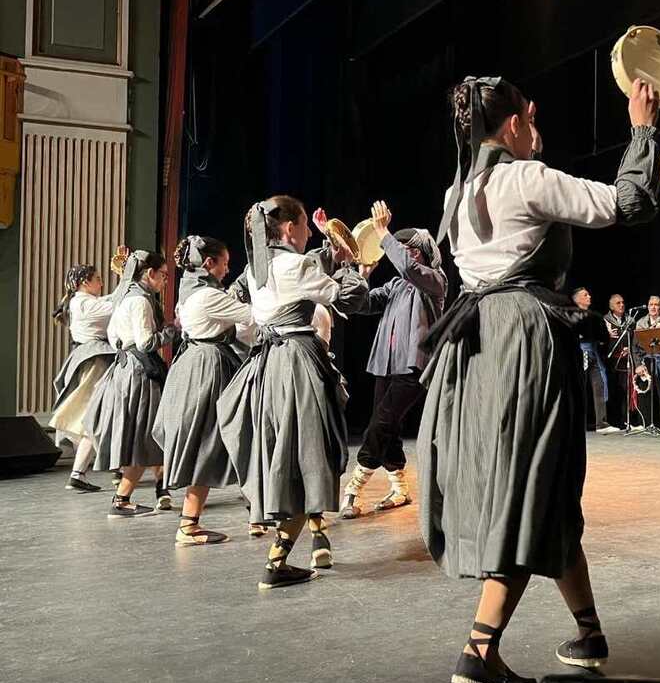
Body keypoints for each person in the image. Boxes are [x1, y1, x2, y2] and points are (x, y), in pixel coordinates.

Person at [418, 76, 660, 683]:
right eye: (528, 111)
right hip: (522, 337)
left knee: (543, 487)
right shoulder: (527, 177)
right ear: (512, 126)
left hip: (479, 344)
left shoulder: (457, 191)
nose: (535, 118)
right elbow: (626, 203)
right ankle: (480, 649)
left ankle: (589, 632)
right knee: (530, 486)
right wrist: (640, 129)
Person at [216, 195, 369, 588]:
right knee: (308, 455)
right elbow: (350, 296)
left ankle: (282, 557)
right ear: (288, 229)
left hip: (268, 365)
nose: (303, 232)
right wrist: (351, 265)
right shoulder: (293, 265)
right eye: (302, 225)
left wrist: (328, 252)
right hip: (297, 364)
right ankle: (278, 560)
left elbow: (301, 272)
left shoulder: (258, 269)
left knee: (290, 454)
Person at [331, 212, 448, 519]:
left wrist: (383, 234)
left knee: (380, 424)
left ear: (423, 252)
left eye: (409, 249)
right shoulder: (396, 285)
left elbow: (410, 269)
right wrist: (362, 273)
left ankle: (353, 488)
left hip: (414, 367)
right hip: (386, 364)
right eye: (400, 248)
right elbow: (362, 303)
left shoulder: (435, 281)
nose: (403, 254)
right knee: (389, 427)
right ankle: (400, 488)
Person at [152, 235, 253, 545]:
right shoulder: (209, 296)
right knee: (211, 440)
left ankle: (194, 521)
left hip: (192, 363)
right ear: (209, 263)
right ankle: (190, 524)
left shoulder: (190, 291)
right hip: (209, 367)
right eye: (223, 263)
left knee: (208, 441)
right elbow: (254, 316)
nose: (226, 268)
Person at [85, 250, 177, 517]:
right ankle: (122, 498)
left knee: (151, 435)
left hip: (126, 369)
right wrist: (173, 329)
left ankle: (162, 487)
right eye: (163, 276)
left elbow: (114, 337)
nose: (164, 282)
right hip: (140, 373)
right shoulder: (140, 302)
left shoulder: (125, 298)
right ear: (150, 274)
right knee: (147, 435)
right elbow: (147, 342)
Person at [51, 265, 118, 492]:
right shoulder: (84, 303)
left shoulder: (80, 301)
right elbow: (116, 303)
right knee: (94, 415)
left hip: (88, 357)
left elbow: (110, 298)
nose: (101, 283)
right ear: (84, 283)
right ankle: (80, 472)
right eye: (97, 279)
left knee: (91, 415)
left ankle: (103, 468)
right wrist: (128, 278)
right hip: (95, 359)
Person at [572, 287, 618, 434]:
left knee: (600, 384)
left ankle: (601, 423)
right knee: (578, 389)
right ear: (576, 299)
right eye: (585, 295)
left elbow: (602, 338)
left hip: (593, 353)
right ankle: (576, 423)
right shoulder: (571, 315)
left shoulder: (594, 317)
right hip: (578, 354)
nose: (589, 296)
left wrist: (606, 334)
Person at [633, 295, 660, 429]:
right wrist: (638, 364)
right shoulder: (641, 322)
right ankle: (644, 422)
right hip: (646, 360)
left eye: (656, 305)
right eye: (651, 304)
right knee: (644, 391)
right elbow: (635, 347)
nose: (653, 307)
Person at [603, 294, 631, 429]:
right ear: (611, 306)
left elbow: (636, 339)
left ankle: (626, 420)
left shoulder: (630, 320)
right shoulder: (605, 320)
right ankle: (613, 420)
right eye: (618, 303)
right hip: (611, 361)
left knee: (626, 391)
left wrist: (629, 348)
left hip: (626, 360)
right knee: (613, 391)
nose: (621, 305)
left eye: (622, 302)